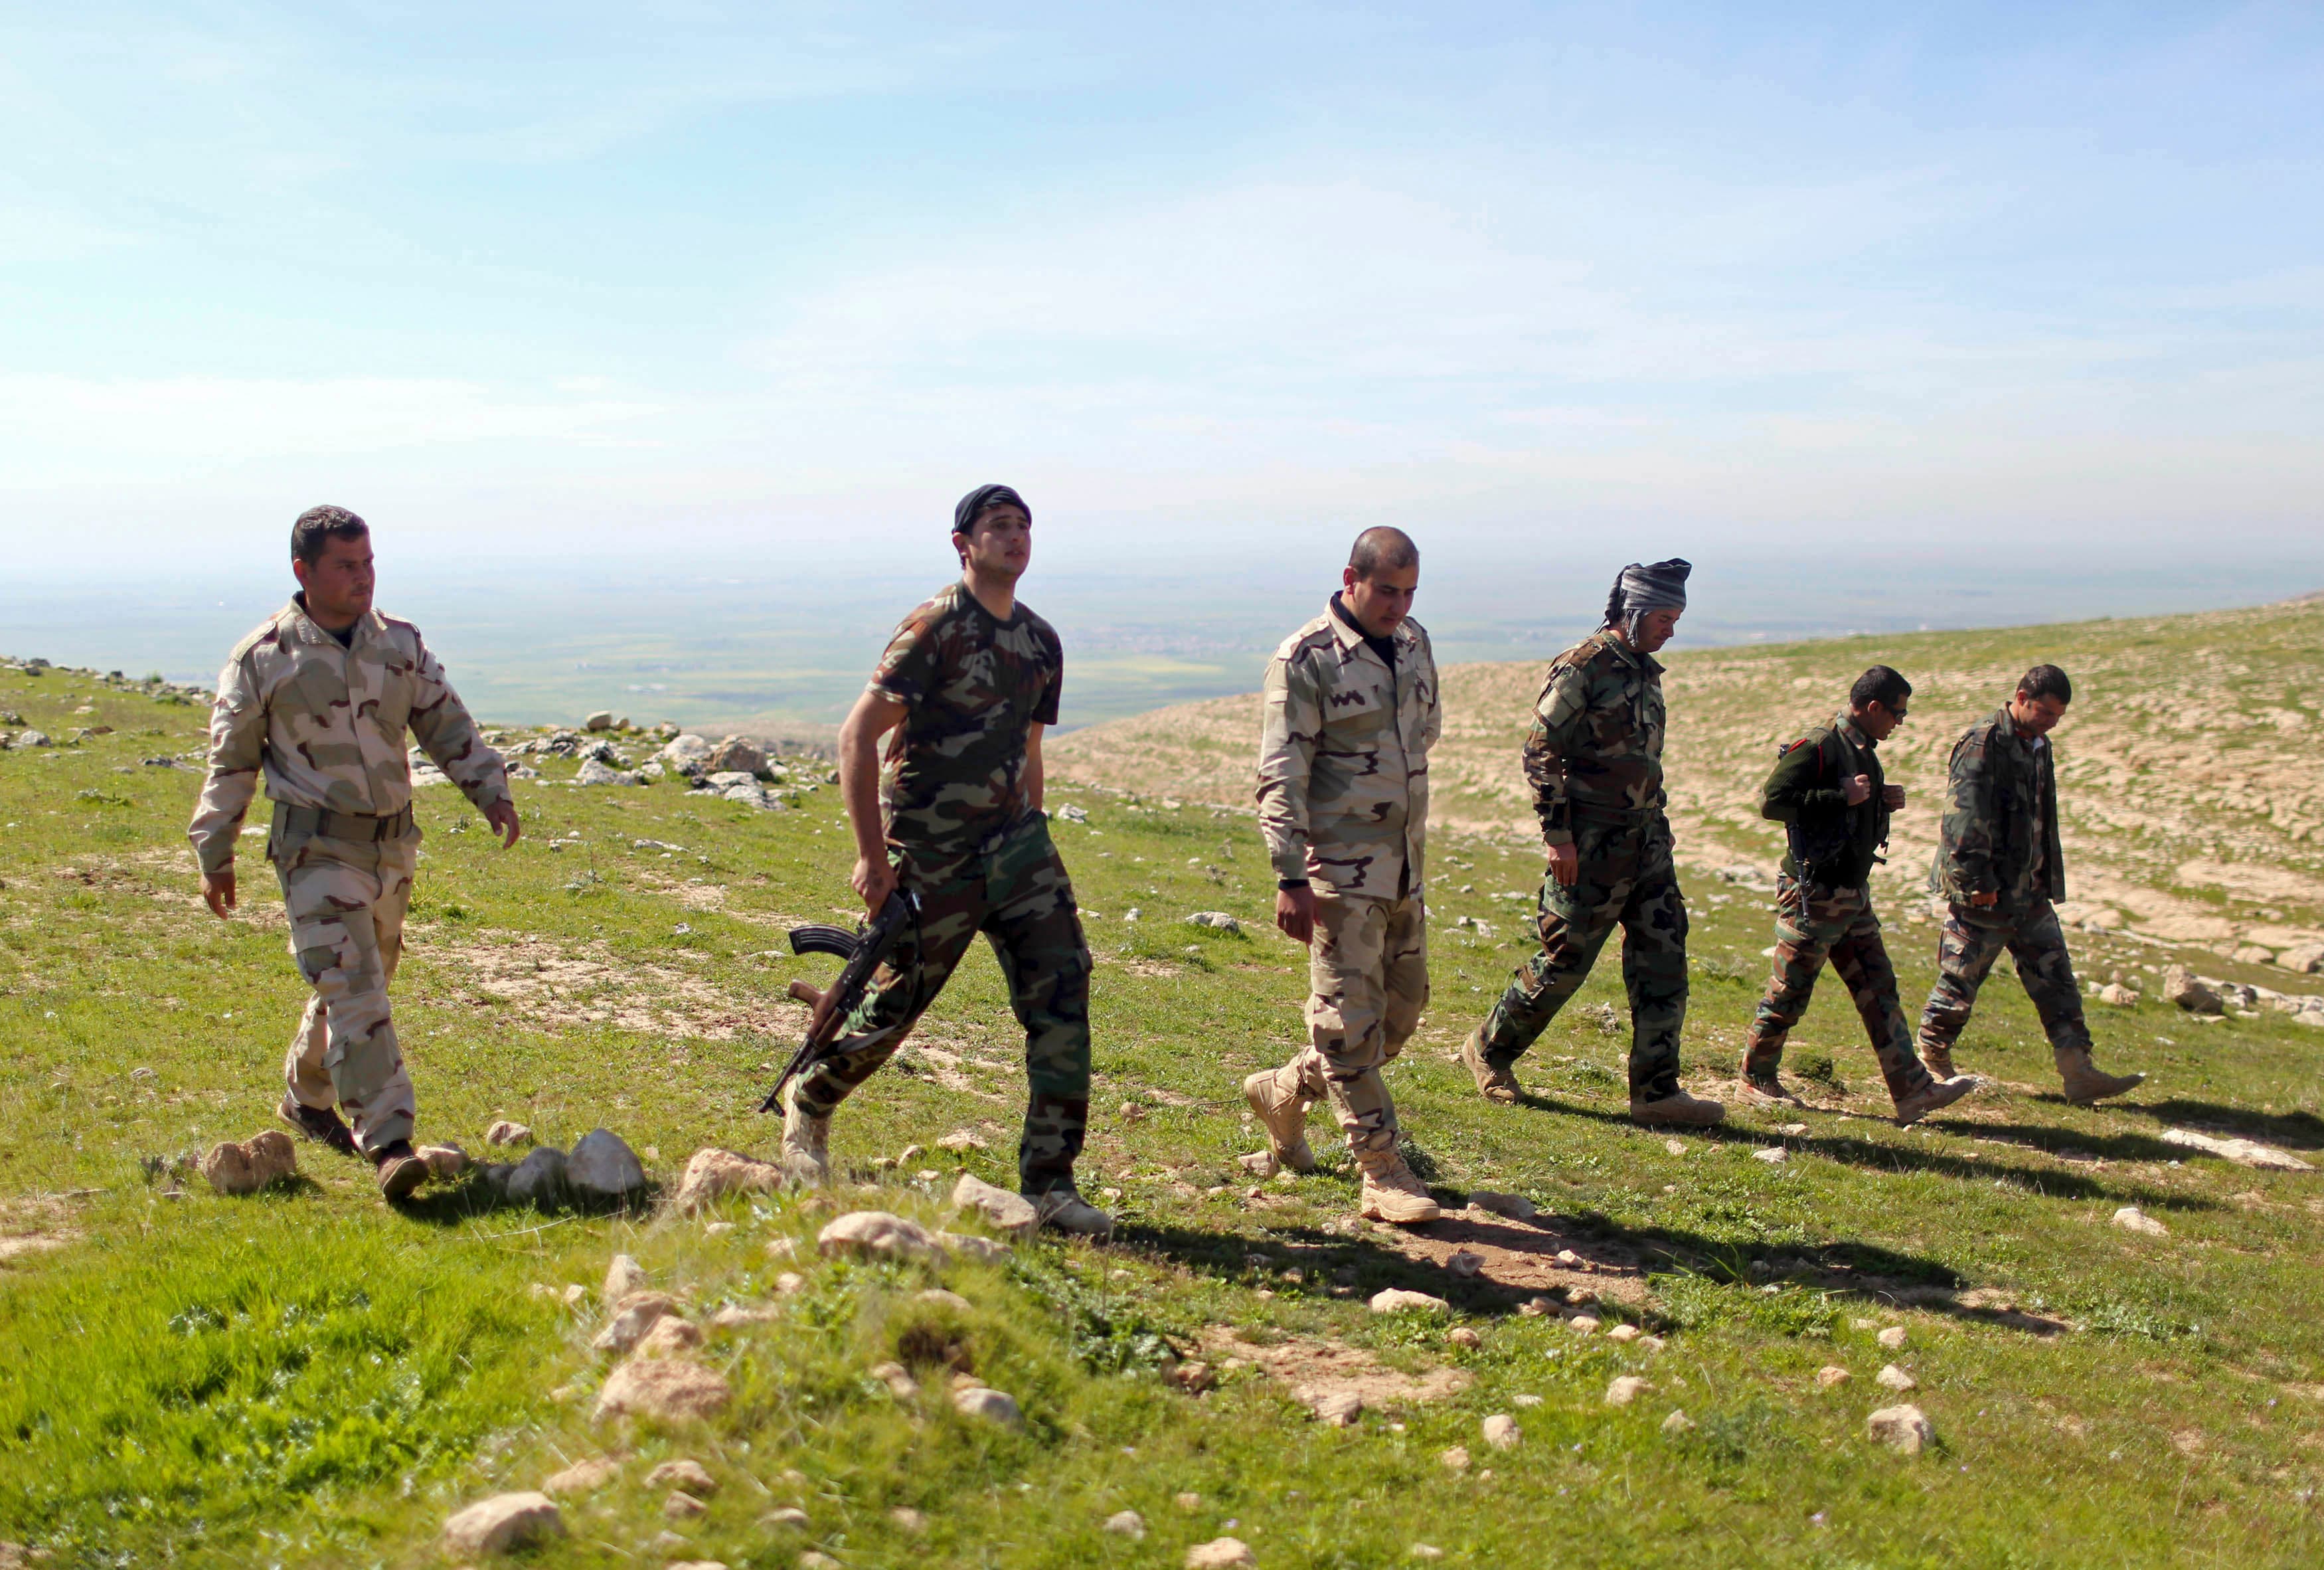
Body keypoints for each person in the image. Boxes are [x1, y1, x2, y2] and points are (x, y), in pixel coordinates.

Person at [780, 483, 1112, 1236]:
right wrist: (872, 857)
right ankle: (810, 1102)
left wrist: (1034, 832)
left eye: (1024, 526)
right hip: (933, 857)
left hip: (1019, 851)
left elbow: (1029, 750)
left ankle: (1051, 1183)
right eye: (997, 526)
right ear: (961, 544)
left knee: (1062, 993)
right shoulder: (934, 629)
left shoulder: (1040, 643)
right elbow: (856, 736)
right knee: (893, 1010)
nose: (1014, 537)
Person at [189, 506, 519, 1200]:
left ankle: (306, 1098)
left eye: (368, 563)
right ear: (303, 572)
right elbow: (231, 763)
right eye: (346, 565)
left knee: (357, 981)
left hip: (392, 845)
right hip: (314, 848)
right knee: (354, 984)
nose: (362, 577)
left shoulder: (397, 643)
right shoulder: (263, 659)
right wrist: (214, 850)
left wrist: (490, 789)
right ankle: (389, 1142)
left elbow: (443, 718)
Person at [1458, 559, 1722, 1125]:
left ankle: (1655, 1093)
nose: (1671, 628)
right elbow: (1540, 750)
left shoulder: (1645, 670)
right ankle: (1487, 1050)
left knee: (1664, 961)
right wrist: (1558, 836)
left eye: (1676, 617)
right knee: (1565, 961)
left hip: (1649, 844)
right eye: (1663, 617)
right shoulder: (1584, 668)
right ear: (1632, 612)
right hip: (1590, 845)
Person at [1244, 527, 1444, 1225]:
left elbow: (1422, 737)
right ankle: (1381, 1169)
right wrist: (1289, 875)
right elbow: (1280, 774)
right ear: (1350, 579)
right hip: (1335, 876)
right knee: (1347, 1021)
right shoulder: (1306, 658)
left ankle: (1285, 1087)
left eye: (1408, 591)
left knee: (1398, 1016)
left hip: (1403, 870)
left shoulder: (1415, 642)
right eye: (1386, 590)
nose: (1397, 605)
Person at [1738, 667, 1976, 1124]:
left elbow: (1850, 800)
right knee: (1790, 990)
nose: (1900, 723)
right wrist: (1838, 797)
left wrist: (1878, 800)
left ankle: (1913, 1090)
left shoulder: (1862, 748)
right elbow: (1773, 801)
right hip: (1815, 891)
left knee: (1878, 985)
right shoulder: (1823, 743)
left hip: (1851, 893)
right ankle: (1755, 1077)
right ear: (1873, 708)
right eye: (1897, 713)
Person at [1916, 665, 2142, 1104]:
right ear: (2021, 696)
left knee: (2057, 980)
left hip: (2030, 892)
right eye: (2044, 712)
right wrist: (1977, 881)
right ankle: (1931, 1060)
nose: (2051, 721)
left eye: (2058, 716)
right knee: (1960, 980)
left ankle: (2080, 1074)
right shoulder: (1984, 743)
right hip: (1986, 892)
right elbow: (1962, 819)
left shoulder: (2039, 744)